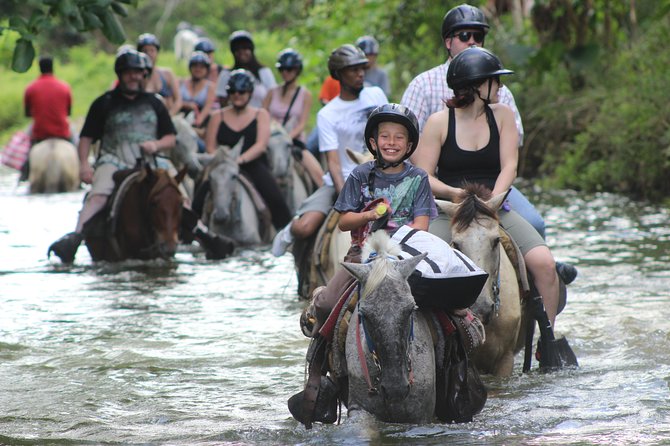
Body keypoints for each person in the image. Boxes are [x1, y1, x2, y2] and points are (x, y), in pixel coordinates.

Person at [287, 104, 437, 426]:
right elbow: (344, 222)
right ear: (373, 141)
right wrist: (370, 216)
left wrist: (401, 246)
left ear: (410, 145)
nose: (392, 142)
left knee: (448, 310)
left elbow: (422, 226)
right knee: (327, 305)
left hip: (403, 257)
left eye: (399, 137)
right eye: (385, 136)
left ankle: (458, 376)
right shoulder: (359, 175)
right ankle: (319, 386)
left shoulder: (419, 179)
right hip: (362, 257)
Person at [412, 46, 569, 329]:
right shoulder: (438, 123)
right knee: (420, 266)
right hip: (453, 210)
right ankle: (428, 337)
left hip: (493, 205)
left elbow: (510, 165)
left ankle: (547, 337)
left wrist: (493, 200)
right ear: (475, 86)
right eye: (494, 80)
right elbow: (424, 174)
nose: (500, 85)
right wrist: (454, 194)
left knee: (544, 263)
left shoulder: (503, 115)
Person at [47, 50, 231, 263]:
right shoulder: (103, 103)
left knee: (178, 196)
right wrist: (83, 166)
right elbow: (86, 137)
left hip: (153, 161)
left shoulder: (155, 102)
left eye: (138, 73)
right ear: (120, 74)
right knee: (98, 195)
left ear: (144, 75)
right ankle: (75, 237)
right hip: (113, 159)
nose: (134, 77)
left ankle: (203, 234)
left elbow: (170, 138)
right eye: (129, 73)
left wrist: (156, 144)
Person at [400, 3, 547, 240]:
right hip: (439, 186)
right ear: (448, 42)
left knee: (535, 224)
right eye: (464, 35)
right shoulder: (422, 84)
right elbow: (406, 144)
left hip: (492, 185)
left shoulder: (499, 92)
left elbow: (511, 151)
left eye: (478, 36)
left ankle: (543, 269)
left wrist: (492, 199)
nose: (472, 41)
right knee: (403, 230)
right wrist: (440, 182)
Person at [271, 44, 388, 257]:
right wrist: (348, 199)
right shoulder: (328, 114)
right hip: (344, 180)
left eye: (362, 68)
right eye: (354, 70)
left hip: (381, 176)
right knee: (305, 227)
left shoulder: (376, 95)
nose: (361, 73)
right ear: (338, 74)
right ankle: (290, 229)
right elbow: (333, 163)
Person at [205, 69, 292, 229]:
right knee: (200, 192)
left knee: (274, 196)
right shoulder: (217, 116)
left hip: (252, 163)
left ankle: (284, 231)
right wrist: (224, 160)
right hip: (222, 165)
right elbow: (210, 147)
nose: (237, 95)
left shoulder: (261, 114)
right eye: (233, 91)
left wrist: (239, 160)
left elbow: (261, 145)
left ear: (250, 93)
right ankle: (191, 232)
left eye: (242, 91)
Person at [262, 48, 324, 187]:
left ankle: (330, 204)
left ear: (297, 70)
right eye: (282, 69)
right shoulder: (272, 92)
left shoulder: (305, 95)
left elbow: (302, 123)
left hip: (294, 141)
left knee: (319, 176)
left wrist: (287, 137)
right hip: (270, 140)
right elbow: (263, 116)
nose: (285, 72)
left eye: (289, 69)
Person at [22, 56, 75, 180]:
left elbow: (27, 114)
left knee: (27, 147)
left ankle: (25, 172)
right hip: (62, 131)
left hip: (40, 132)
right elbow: (68, 112)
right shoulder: (64, 87)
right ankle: (80, 169)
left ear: (39, 68)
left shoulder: (30, 88)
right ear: (53, 68)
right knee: (76, 143)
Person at [215, 30, 277, 108]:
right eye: (237, 49)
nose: (241, 52)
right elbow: (223, 102)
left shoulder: (264, 72)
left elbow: (273, 97)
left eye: (245, 48)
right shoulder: (226, 74)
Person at [137, 33, 183, 115]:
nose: (149, 54)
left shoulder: (167, 74)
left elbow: (178, 101)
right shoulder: (136, 77)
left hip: (169, 117)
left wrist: (168, 118)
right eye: (145, 51)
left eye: (152, 50)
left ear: (157, 53)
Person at [180, 51, 217, 130]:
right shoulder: (180, 82)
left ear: (206, 69)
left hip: (201, 121)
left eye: (201, 67)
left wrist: (198, 121)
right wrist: (187, 105)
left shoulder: (210, 87)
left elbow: (208, 106)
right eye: (195, 66)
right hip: (181, 116)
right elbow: (175, 101)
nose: (198, 69)